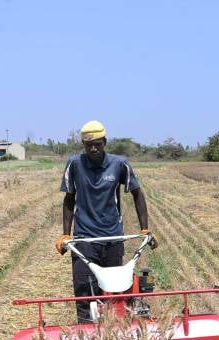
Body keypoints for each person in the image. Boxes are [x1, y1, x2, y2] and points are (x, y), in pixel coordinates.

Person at [56, 120, 155, 323]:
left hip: (113, 237)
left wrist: (144, 228)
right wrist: (66, 234)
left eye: (98, 144)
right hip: (84, 239)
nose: (93, 149)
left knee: (115, 292)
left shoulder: (119, 164)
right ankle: (85, 334)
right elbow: (69, 199)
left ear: (105, 142)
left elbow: (137, 194)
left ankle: (116, 332)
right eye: (88, 145)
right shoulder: (75, 164)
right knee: (84, 293)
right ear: (83, 145)